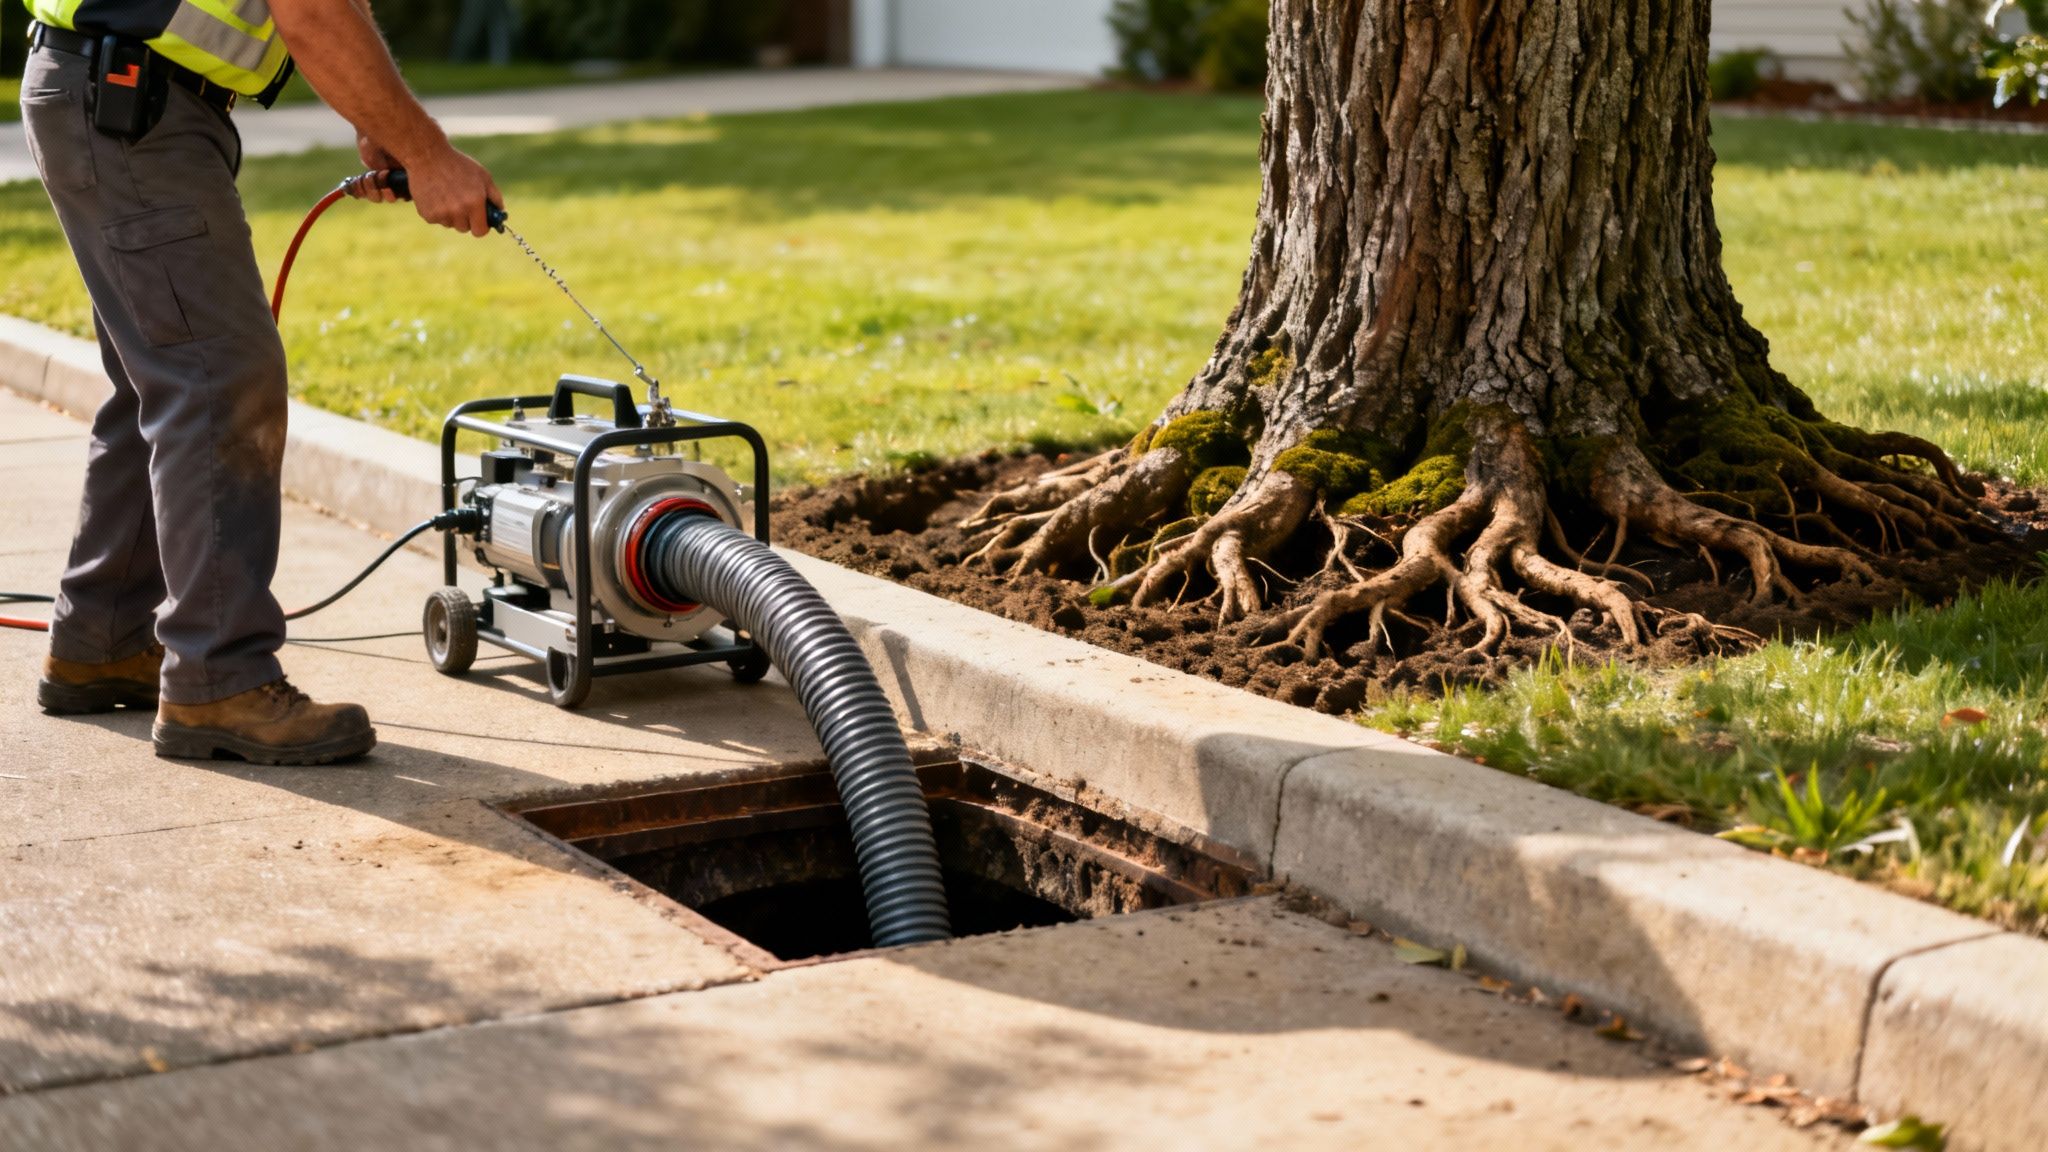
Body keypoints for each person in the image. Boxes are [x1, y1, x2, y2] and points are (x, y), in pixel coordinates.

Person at [20, 0, 502, 764]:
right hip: (130, 101)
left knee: (160, 376)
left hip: (112, 90)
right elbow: (310, 8)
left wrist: (378, 121)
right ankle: (218, 679)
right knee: (218, 382)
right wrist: (429, 152)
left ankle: (102, 639)